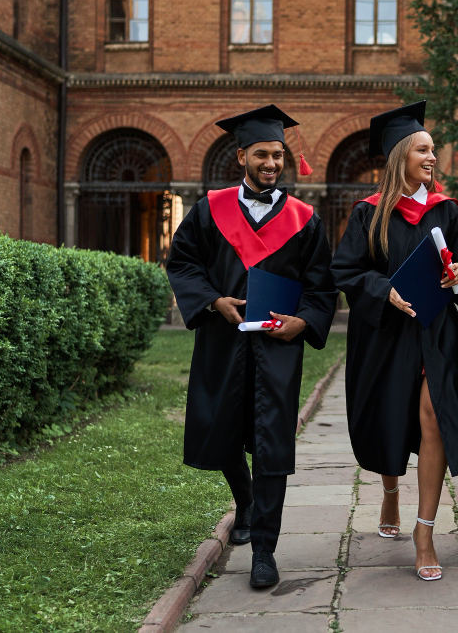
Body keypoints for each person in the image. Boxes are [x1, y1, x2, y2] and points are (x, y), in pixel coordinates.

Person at [166, 105, 338, 588]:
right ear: (241, 154)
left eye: (277, 155)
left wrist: (302, 321)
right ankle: (244, 500)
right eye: (261, 153)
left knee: (270, 446)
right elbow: (182, 265)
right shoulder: (208, 210)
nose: (270, 163)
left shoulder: (305, 220)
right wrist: (212, 300)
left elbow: (322, 288)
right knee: (219, 432)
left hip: (278, 348)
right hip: (223, 341)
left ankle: (264, 549)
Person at [331, 101, 458, 581]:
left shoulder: (446, 211)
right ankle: (390, 491)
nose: (432, 157)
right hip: (385, 335)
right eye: (423, 149)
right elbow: (346, 271)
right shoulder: (369, 214)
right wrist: (385, 290)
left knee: (434, 419)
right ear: (400, 155)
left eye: (434, 149)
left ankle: (425, 531)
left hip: (435, 334)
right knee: (391, 420)